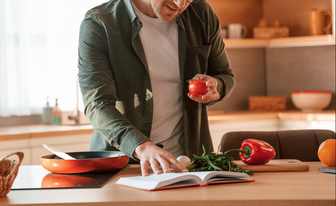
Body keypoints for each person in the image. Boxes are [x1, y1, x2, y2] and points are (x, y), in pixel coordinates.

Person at [77, 0, 235, 176]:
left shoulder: (201, 13)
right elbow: (97, 105)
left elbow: (225, 75)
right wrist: (141, 146)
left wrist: (216, 86)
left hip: (190, 166)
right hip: (124, 167)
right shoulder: (100, 23)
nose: (180, 3)